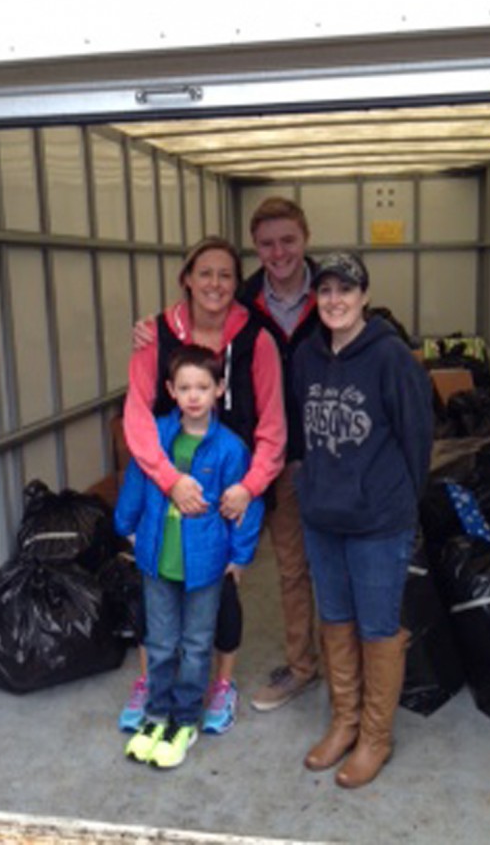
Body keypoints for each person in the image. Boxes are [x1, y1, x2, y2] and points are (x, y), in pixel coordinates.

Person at [120, 236, 285, 735]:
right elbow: (137, 420)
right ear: (186, 279)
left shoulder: (258, 337)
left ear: (239, 285)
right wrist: (168, 483)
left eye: (226, 275)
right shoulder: (154, 334)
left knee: (223, 593)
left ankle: (220, 685)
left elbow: (273, 427)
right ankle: (154, 685)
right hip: (163, 481)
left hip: (233, 482)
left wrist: (249, 488)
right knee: (159, 595)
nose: (215, 283)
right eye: (205, 273)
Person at [292, 251, 433, 789]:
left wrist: (398, 501)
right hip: (322, 517)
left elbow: (418, 437)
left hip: (378, 521)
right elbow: (302, 433)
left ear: (364, 296)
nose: (334, 300)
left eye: (345, 290)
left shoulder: (392, 358)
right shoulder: (306, 357)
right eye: (325, 291)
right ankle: (344, 722)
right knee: (336, 620)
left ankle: (376, 736)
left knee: (377, 628)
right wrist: (308, 485)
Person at [115, 345, 264, 769]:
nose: (194, 395)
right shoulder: (156, 437)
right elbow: (135, 484)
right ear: (170, 391)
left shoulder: (231, 449)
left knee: (197, 645)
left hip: (206, 564)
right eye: (184, 387)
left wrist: (240, 555)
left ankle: (184, 720)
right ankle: (156, 715)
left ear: (219, 389)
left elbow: (247, 505)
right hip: (157, 560)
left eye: (203, 386)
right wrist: (125, 525)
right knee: (161, 643)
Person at [239, 198, 322, 712]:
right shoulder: (243, 304)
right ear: (256, 247)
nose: (279, 252)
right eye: (267, 243)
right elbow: (195, 338)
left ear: (306, 237)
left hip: (336, 461)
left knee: (340, 568)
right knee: (292, 569)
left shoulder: (334, 290)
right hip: (279, 461)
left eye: (288, 240)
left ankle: (349, 670)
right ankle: (302, 667)